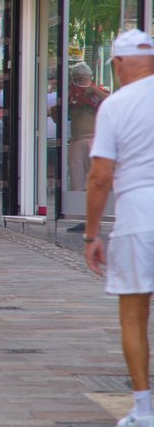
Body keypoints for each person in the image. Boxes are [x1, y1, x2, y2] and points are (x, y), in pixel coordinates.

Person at [83, 29, 154, 427]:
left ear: (118, 63)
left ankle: (143, 410)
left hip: (138, 217)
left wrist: (92, 234)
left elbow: (99, 177)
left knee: (133, 316)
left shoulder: (115, 105)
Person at [67, 61, 110, 192]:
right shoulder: (70, 95)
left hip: (94, 139)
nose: (79, 81)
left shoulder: (98, 92)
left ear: (89, 78)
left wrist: (95, 90)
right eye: (76, 78)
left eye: (82, 78)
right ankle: (79, 209)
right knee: (77, 181)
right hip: (76, 140)